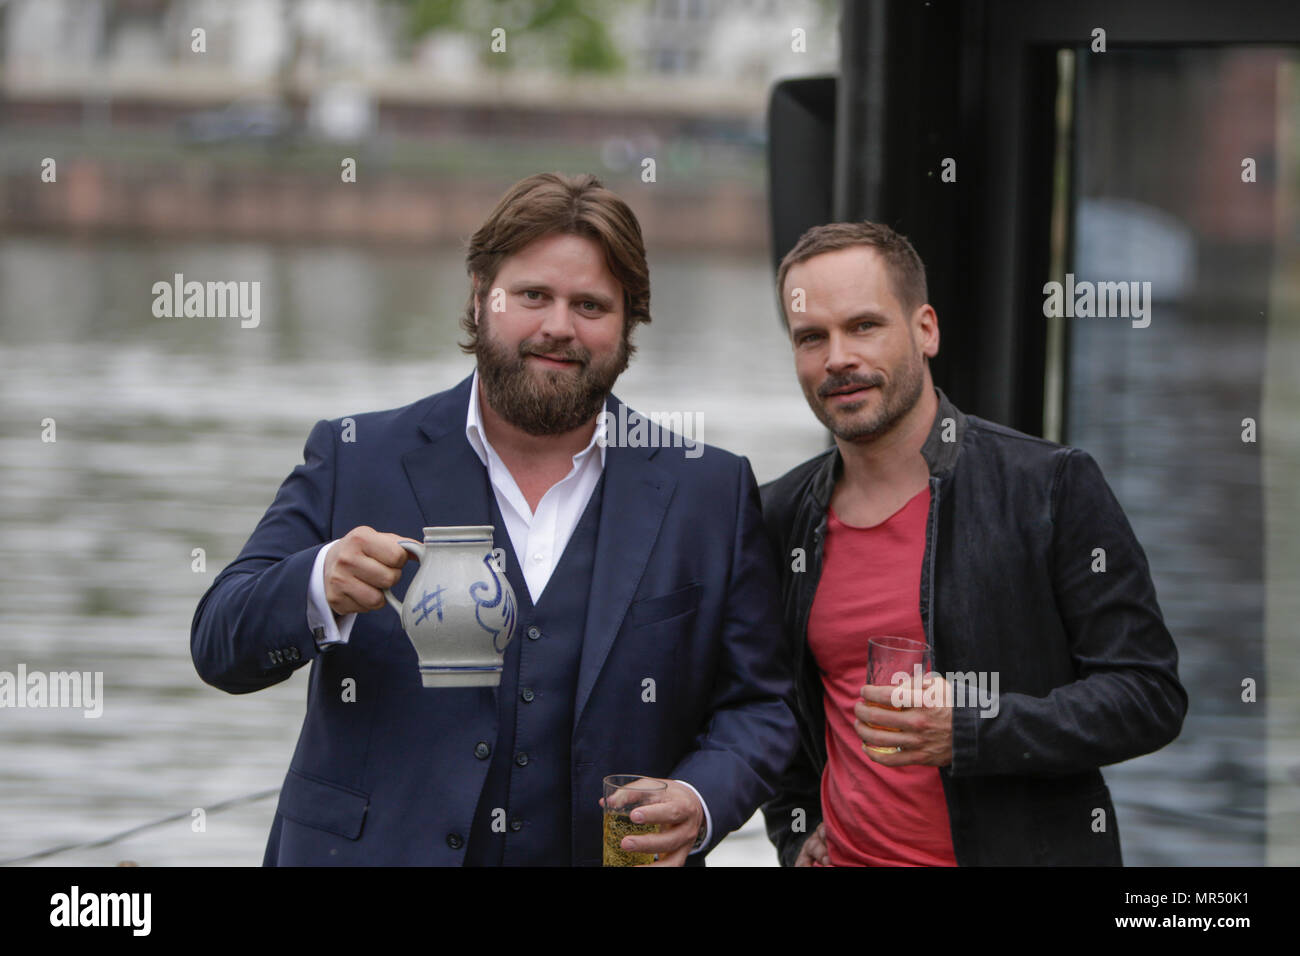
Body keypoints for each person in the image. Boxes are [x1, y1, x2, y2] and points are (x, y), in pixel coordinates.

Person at [191, 172, 796, 866]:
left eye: (591, 305)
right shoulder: (356, 455)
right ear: (480, 297)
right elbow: (219, 644)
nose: (558, 326)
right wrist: (317, 582)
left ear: (629, 323)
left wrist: (699, 797)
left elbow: (762, 706)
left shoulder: (708, 490)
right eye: (533, 295)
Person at [759, 221, 1187, 866]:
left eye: (865, 325)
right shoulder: (780, 515)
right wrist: (796, 833)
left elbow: (1148, 695)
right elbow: (773, 708)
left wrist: (971, 731)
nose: (838, 357)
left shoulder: (1049, 485)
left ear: (925, 329)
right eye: (812, 338)